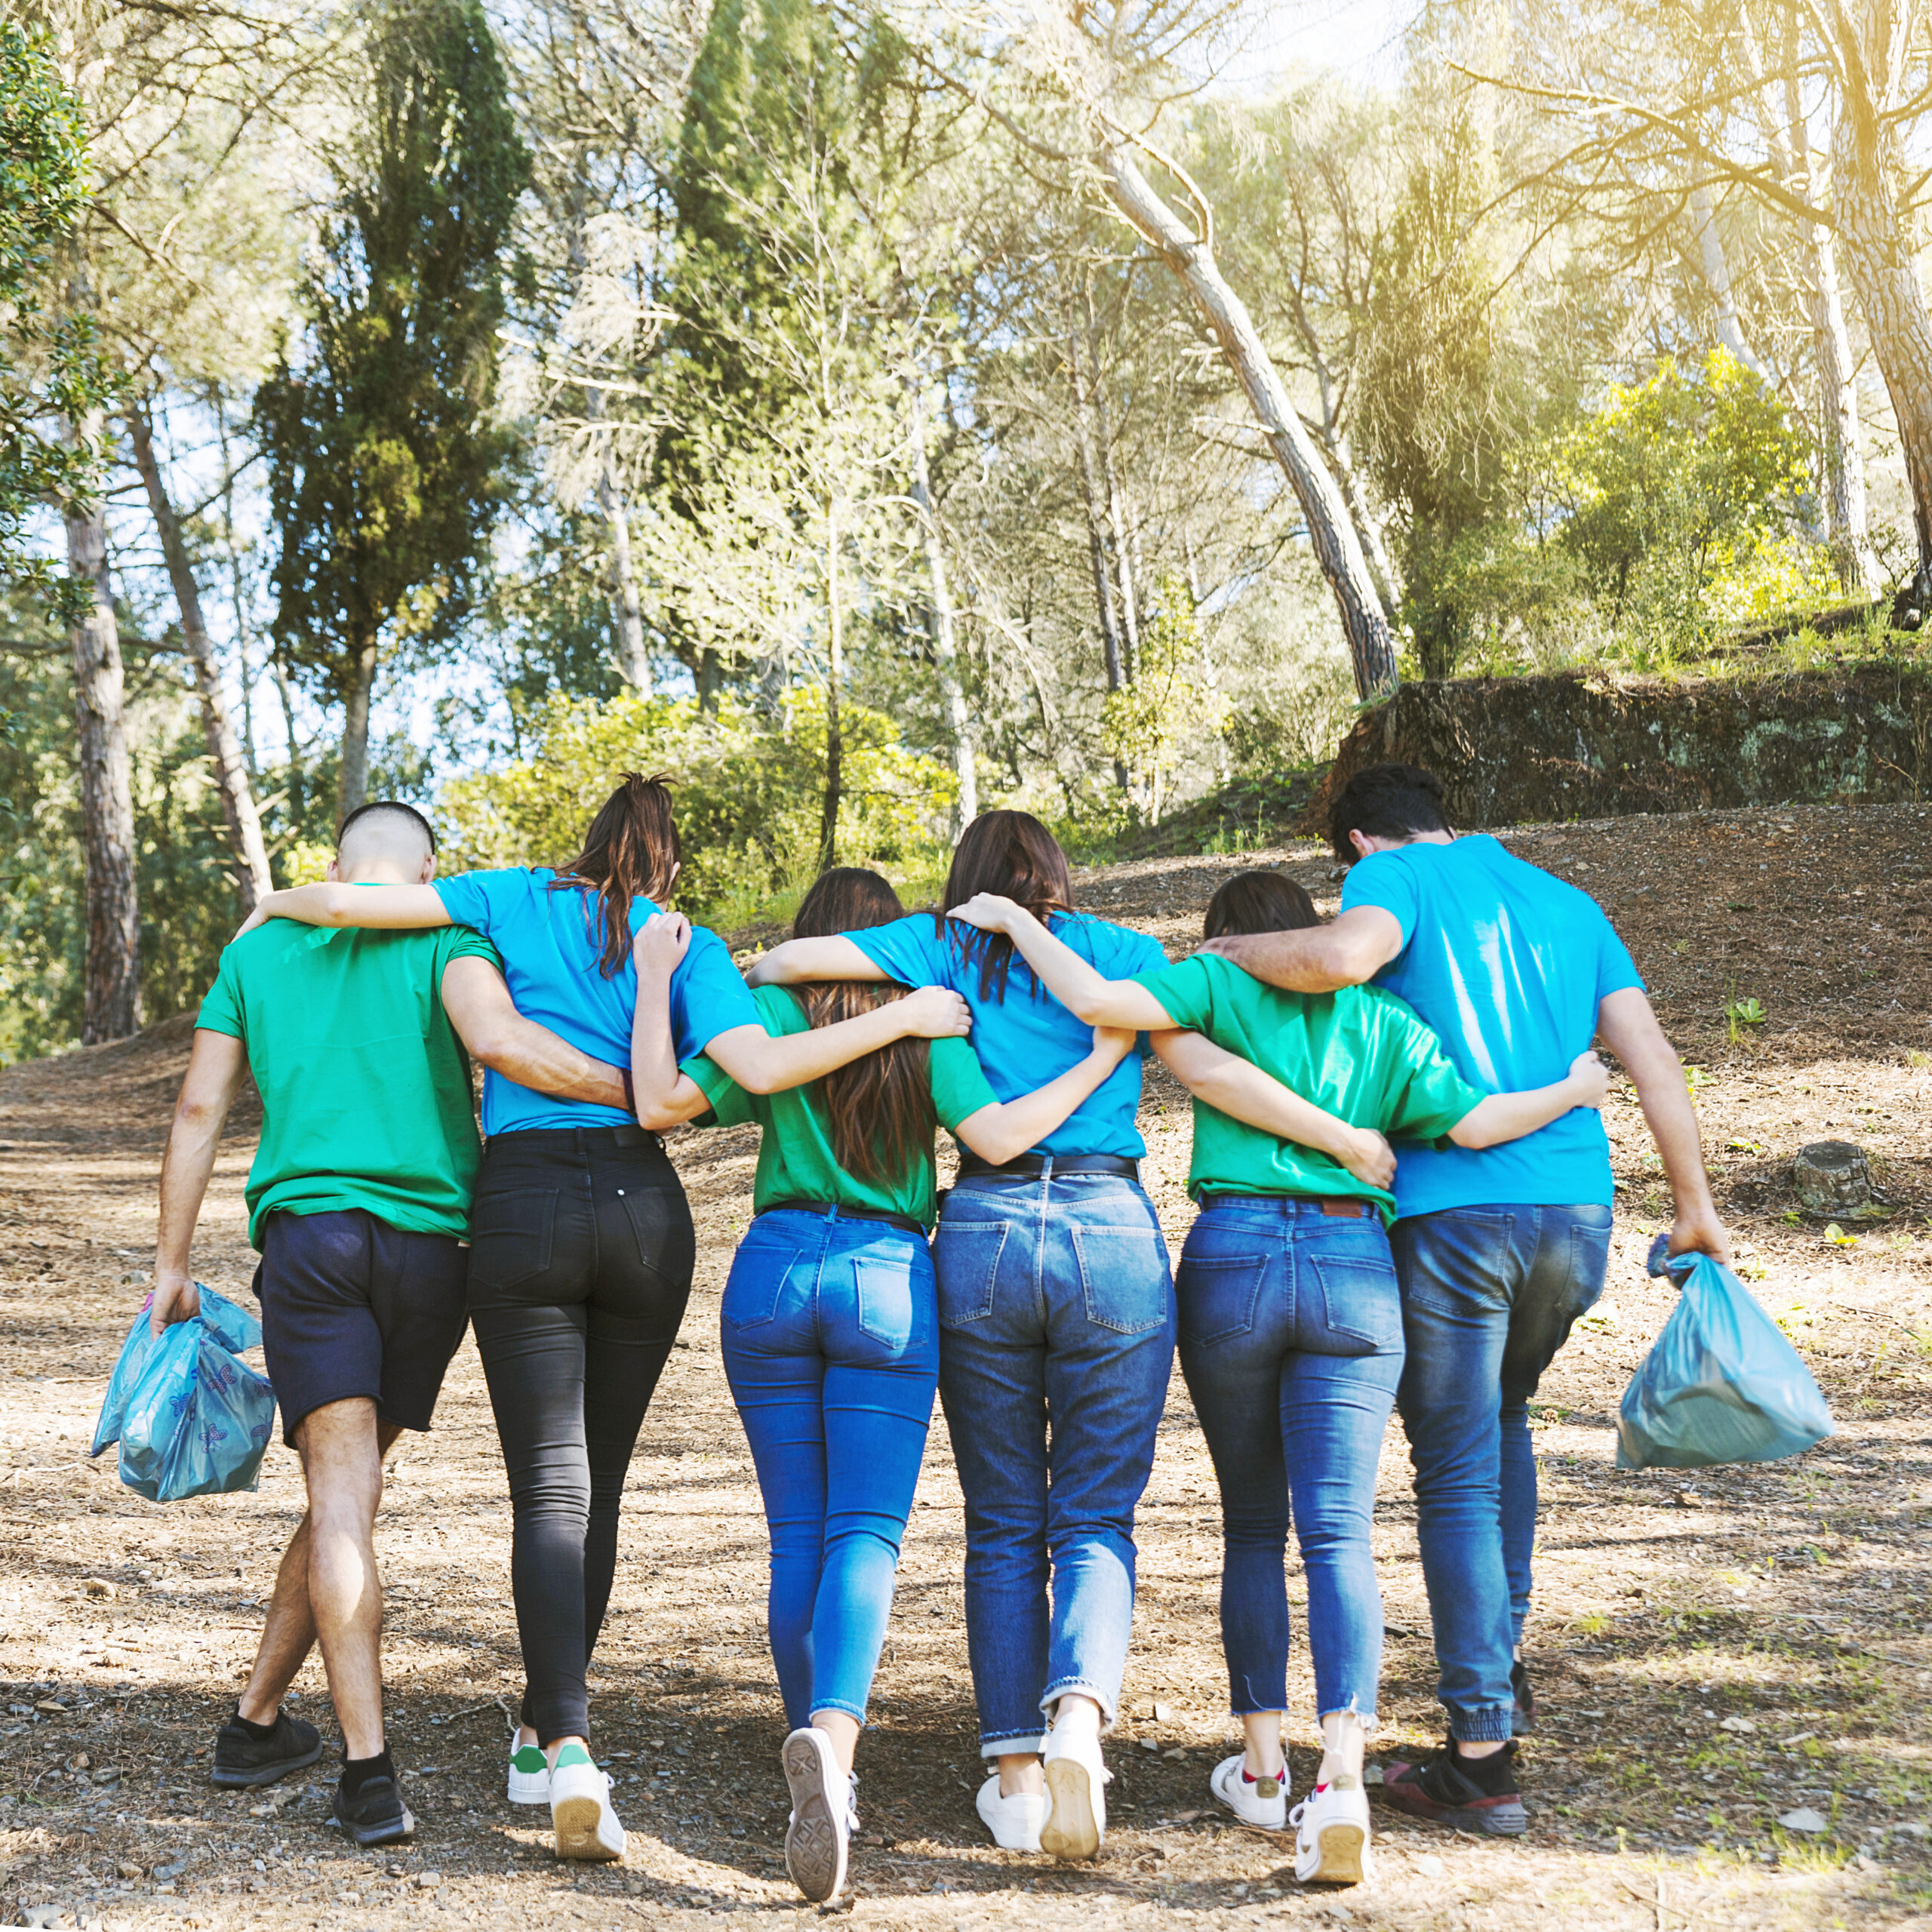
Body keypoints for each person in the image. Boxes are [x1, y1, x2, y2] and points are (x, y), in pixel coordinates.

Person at [239, 775, 969, 1863]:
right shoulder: (688, 941)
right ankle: (542, 1734)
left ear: (584, 845)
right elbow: (718, 1083)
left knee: (550, 1487)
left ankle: (567, 1747)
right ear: (668, 863)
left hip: (521, 1204)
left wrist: (272, 905)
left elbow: (355, 907)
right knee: (604, 1483)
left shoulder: (505, 897)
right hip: (641, 1212)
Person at [947, 867, 1610, 1884]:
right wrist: (1572, 1088)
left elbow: (1093, 1002)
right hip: (1355, 1269)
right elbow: (1474, 1127)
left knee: (1253, 1524)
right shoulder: (1383, 1020)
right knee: (1339, 1528)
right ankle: (1340, 1779)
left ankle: (1262, 1771)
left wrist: (1009, 921)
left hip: (1235, 1260)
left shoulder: (1215, 982)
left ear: (1234, 940)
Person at [743, 813, 1377, 1864]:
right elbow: (1212, 1062)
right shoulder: (1125, 952)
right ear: (1060, 877)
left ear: (968, 883)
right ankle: (1080, 1715)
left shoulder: (938, 947)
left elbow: (789, 960)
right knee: (1095, 1514)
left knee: (1001, 1521)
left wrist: (910, 955)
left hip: (983, 1235)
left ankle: (1018, 1780)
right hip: (1112, 1231)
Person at [1196, 764, 1730, 1837]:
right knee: (1502, 1419)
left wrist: (1227, 952)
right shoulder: (1569, 903)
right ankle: (1503, 1658)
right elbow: (1653, 1058)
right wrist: (1695, 1205)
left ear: (1362, 843)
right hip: (1575, 1214)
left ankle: (1482, 1747)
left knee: (1453, 1471)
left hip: (1453, 1218)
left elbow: (1343, 959)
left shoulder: (1393, 884)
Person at [630, 868, 1142, 1903]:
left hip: (772, 1268)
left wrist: (652, 990)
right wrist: (1099, 1060)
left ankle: (814, 1774)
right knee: (865, 1533)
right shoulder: (928, 1024)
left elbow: (669, 1106)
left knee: (795, 1536)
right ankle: (833, 1742)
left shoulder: (773, 1011)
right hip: (885, 1277)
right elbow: (998, 1140)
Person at [155, 800, 637, 1848]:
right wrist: (640, 1092)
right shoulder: (444, 934)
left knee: (340, 1501)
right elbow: (505, 1045)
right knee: (352, 1497)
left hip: (312, 1244)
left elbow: (198, 1110)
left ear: (336, 865)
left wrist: (172, 1264)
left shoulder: (263, 949)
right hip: (433, 1251)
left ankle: (347, 1764)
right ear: (428, 868)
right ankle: (283, 1735)